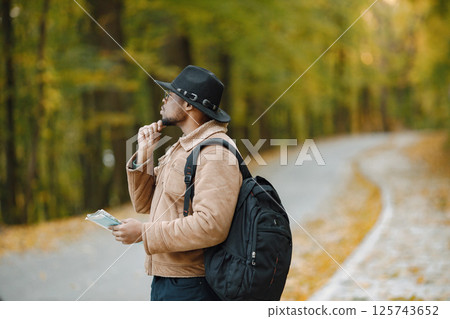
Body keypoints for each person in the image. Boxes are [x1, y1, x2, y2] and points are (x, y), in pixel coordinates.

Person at [110, 65, 242, 301]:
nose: (163, 101)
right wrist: (145, 152)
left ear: (189, 104)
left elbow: (211, 225)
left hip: (193, 285)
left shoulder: (215, 153)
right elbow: (145, 204)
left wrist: (144, 232)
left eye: (169, 96)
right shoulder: (182, 148)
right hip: (168, 280)